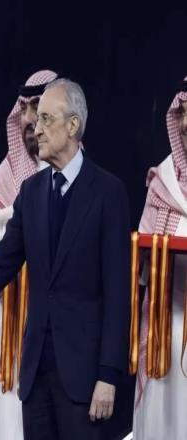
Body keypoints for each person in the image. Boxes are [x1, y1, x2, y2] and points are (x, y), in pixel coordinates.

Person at [0, 79, 130, 440]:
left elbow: (118, 293)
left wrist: (108, 375)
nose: (36, 129)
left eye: (46, 119)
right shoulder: (31, 192)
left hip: (85, 380)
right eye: (36, 121)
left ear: (73, 125)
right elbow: (1, 263)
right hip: (36, 374)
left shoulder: (108, 193)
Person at [0, 70, 57, 440]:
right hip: (12, 335)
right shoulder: (4, 181)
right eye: (23, 108)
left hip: (62, 336)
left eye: (37, 108)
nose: (28, 119)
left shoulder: (83, 181)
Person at [133, 76, 187, 440]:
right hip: (164, 330)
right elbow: (141, 264)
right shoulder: (161, 184)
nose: (184, 124)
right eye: (181, 113)